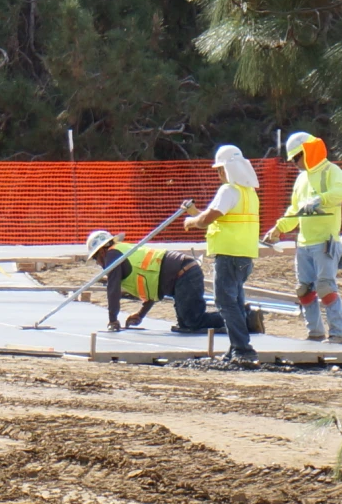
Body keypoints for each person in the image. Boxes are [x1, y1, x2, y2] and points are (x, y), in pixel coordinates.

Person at [266, 131, 342, 344]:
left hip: (324, 242)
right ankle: (315, 333)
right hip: (303, 244)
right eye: (292, 159)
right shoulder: (301, 179)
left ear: (308, 151)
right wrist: (278, 229)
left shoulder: (332, 171)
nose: (295, 163)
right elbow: (295, 211)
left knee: (325, 287)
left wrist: (318, 200)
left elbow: (341, 193)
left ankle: (338, 334)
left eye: (297, 157)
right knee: (304, 290)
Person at [182, 144, 261, 363]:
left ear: (228, 169)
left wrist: (191, 221)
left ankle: (242, 348)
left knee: (225, 302)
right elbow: (218, 218)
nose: (218, 174)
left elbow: (207, 219)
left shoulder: (229, 190)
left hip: (228, 256)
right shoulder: (249, 194)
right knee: (235, 301)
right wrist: (196, 214)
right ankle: (238, 345)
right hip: (244, 256)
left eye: (220, 169)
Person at [85, 229, 223, 333]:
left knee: (192, 321)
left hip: (185, 273)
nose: (97, 263)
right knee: (186, 324)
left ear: (101, 252)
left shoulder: (112, 256)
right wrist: (141, 314)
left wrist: (113, 320)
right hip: (183, 275)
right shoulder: (121, 252)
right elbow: (152, 285)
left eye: (95, 258)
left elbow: (113, 290)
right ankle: (235, 318)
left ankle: (239, 317)